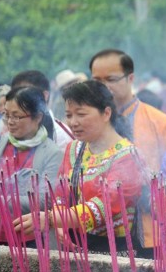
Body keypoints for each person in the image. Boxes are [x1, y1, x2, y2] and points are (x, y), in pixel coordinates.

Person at [14, 81, 146, 253]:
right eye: (69, 115)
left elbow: (103, 206)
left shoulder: (128, 156)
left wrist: (53, 219)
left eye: (81, 114)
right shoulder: (74, 149)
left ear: (106, 113)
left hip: (115, 254)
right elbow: (61, 193)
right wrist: (60, 222)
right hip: (75, 249)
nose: (73, 122)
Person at [0, 86, 62, 241]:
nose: (10, 122)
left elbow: (44, 199)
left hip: (28, 241)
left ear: (38, 117)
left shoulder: (52, 153)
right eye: (6, 115)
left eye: (16, 116)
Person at [89, 49, 166, 173]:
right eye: (97, 81)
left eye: (111, 79)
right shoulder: (86, 122)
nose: (104, 86)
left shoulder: (159, 122)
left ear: (131, 78)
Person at [11, 70, 74, 150]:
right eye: (14, 95)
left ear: (44, 96)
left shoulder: (61, 137)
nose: (17, 101)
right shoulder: (10, 131)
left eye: (25, 95)